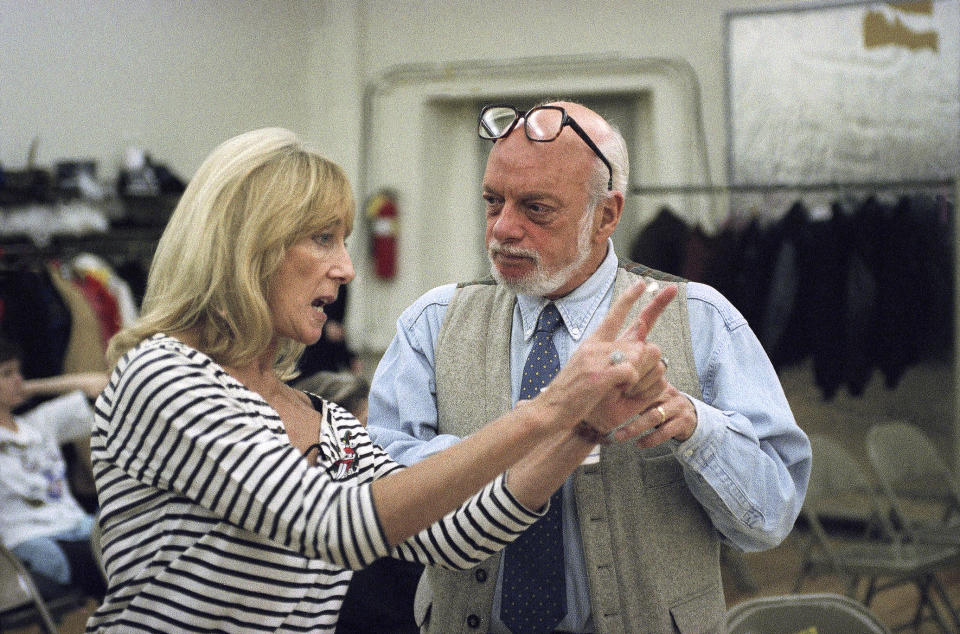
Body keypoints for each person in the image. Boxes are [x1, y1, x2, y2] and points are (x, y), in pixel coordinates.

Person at [85, 127, 678, 633]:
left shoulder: (325, 420)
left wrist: (583, 429)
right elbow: (334, 527)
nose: (345, 268)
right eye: (322, 239)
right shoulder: (164, 374)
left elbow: (453, 538)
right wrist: (547, 411)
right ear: (247, 247)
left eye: (343, 241)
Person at [367, 102, 812, 633]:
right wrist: (509, 452)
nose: (503, 229)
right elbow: (383, 500)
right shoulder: (432, 325)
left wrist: (693, 425)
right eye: (492, 202)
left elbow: (771, 520)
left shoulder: (700, 320)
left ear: (607, 214)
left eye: (536, 209)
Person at [0, 335, 108, 602]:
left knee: (133, 538)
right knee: (111, 563)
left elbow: (103, 386)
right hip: (31, 541)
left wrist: (32, 387)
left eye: (19, 372)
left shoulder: (38, 423)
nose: (18, 380)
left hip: (78, 526)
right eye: (6, 373)